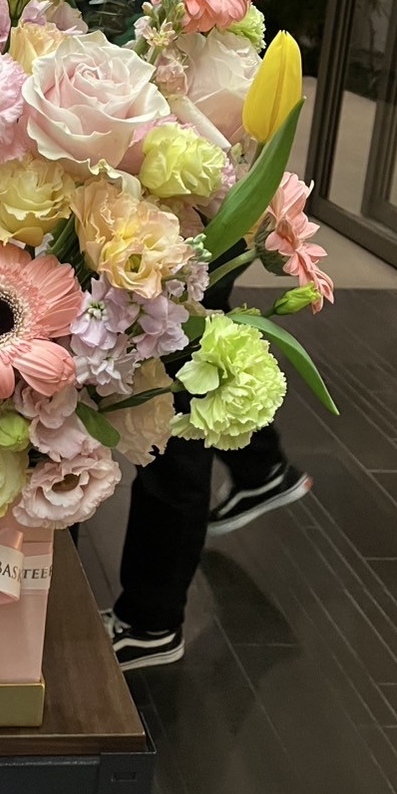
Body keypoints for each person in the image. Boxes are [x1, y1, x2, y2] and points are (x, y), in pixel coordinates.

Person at [102, 267, 311, 673]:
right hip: (192, 223)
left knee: (180, 387)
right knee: (199, 334)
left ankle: (151, 623)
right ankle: (262, 467)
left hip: (189, 224)